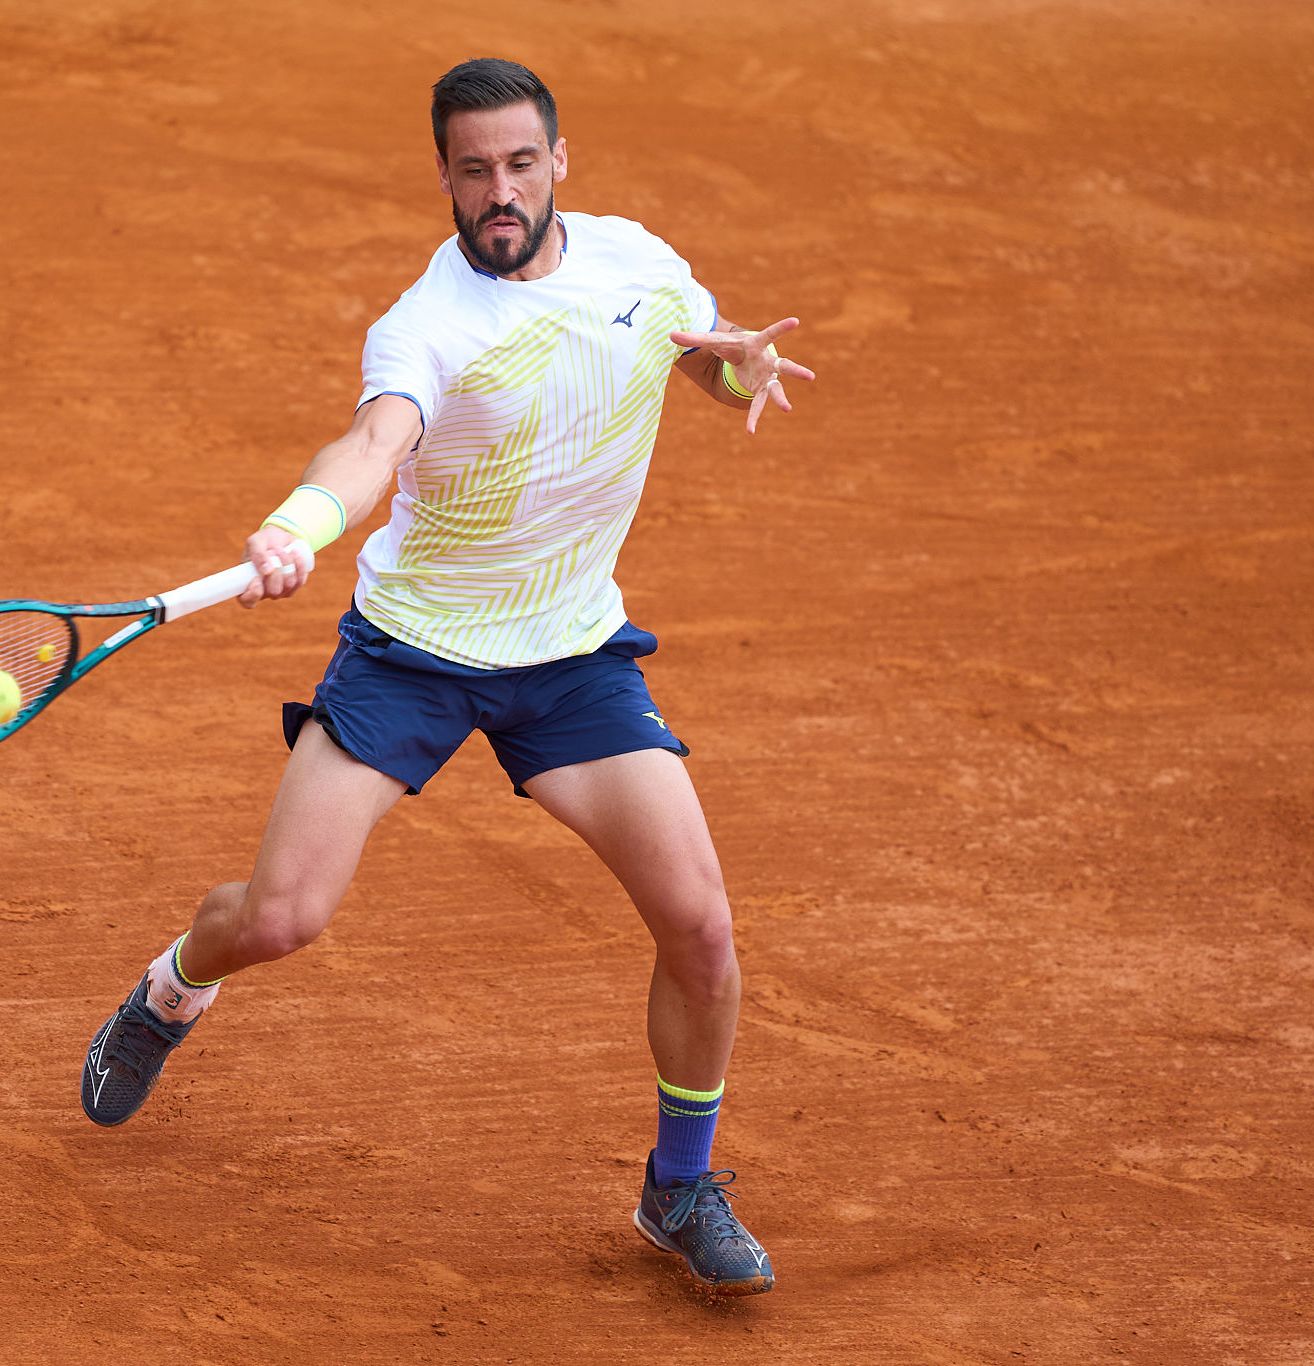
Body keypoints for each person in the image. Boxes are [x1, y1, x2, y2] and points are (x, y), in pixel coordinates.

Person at [79, 57, 812, 1297]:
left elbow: (695, 355)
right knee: (281, 917)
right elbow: (374, 444)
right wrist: (299, 526)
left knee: (699, 926)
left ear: (558, 160)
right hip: (414, 651)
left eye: (520, 163)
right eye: (472, 170)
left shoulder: (636, 260)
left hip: (570, 655)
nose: (498, 191)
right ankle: (169, 989)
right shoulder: (427, 327)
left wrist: (734, 367)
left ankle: (677, 1185)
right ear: (444, 178)